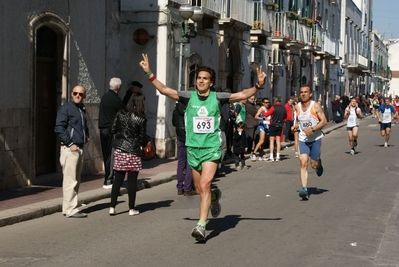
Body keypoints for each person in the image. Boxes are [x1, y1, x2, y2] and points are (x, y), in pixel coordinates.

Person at [139, 53, 266, 242]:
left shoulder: (218, 97)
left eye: (205, 78)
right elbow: (165, 90)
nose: (201, 81)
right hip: (193, 148)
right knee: (199, 188)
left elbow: (242, 95)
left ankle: (201, 226)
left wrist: (258, 86)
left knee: (205, 184)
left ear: (211, 82)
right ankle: (214, 197)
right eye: (198, 78)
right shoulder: (187, 97)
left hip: (212, 148)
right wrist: (149, 72)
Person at [109, 92, 147, 216]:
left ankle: (112, 207)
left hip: (120, 149)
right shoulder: (141, 117)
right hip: (133, 151)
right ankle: (131, 208)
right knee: (132, 181)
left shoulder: (120, 113)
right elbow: (142, 137)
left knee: (117, 180)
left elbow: (113, 129)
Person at [54, 85, 89, 218]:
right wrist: (70, 144)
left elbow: (83, 125)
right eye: (75, 93)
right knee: (70, 180)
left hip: (79, 147)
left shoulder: (82, 108)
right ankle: (70, 209)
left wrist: (87, 136)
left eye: (80, 94)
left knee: (76, 179)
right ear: (71, 94)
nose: (77, 96)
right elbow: (59, 128)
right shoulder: (66, 109)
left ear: (84, 96)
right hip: (70, 149)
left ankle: (69, 207)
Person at [291, 85, 327, 200]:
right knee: (303, 163)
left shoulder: (315, 106)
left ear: (310, 94)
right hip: (303, 139)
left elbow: (324, 121)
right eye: (301, 92)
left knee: (313, 164)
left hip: (315, 139)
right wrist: (295, 126)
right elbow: (296, 120)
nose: (303, 94)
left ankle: (319, 164)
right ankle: (304, 189)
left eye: (306, 92)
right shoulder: (296, 107)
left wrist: (312, 129)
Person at [99, 78, 125, 189]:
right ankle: (108, 180)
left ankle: (108, 178)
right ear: (118, 87)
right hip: (111, 130)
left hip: (103, 129)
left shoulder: (105, 96)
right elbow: (123, 113)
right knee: (111, 155)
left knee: (106, 154)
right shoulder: (116, 99)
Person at [172, 102, 196, 196]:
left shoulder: (175, 110)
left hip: (180, 137)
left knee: (181, 163)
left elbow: (174, 123)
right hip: (190, 138)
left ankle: (179, 187)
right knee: (190, 163)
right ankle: (187, 187)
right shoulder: (191, 109)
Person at [261, 95, 286, 162]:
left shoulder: (273, 107)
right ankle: (278, 156)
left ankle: (271, 156)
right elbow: (285, 117)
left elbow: (266, 114)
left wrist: (262, 111)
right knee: (278, 141)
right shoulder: (284, 108)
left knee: (271, 141)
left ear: (275, 101)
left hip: (273, 125)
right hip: (280, 125)